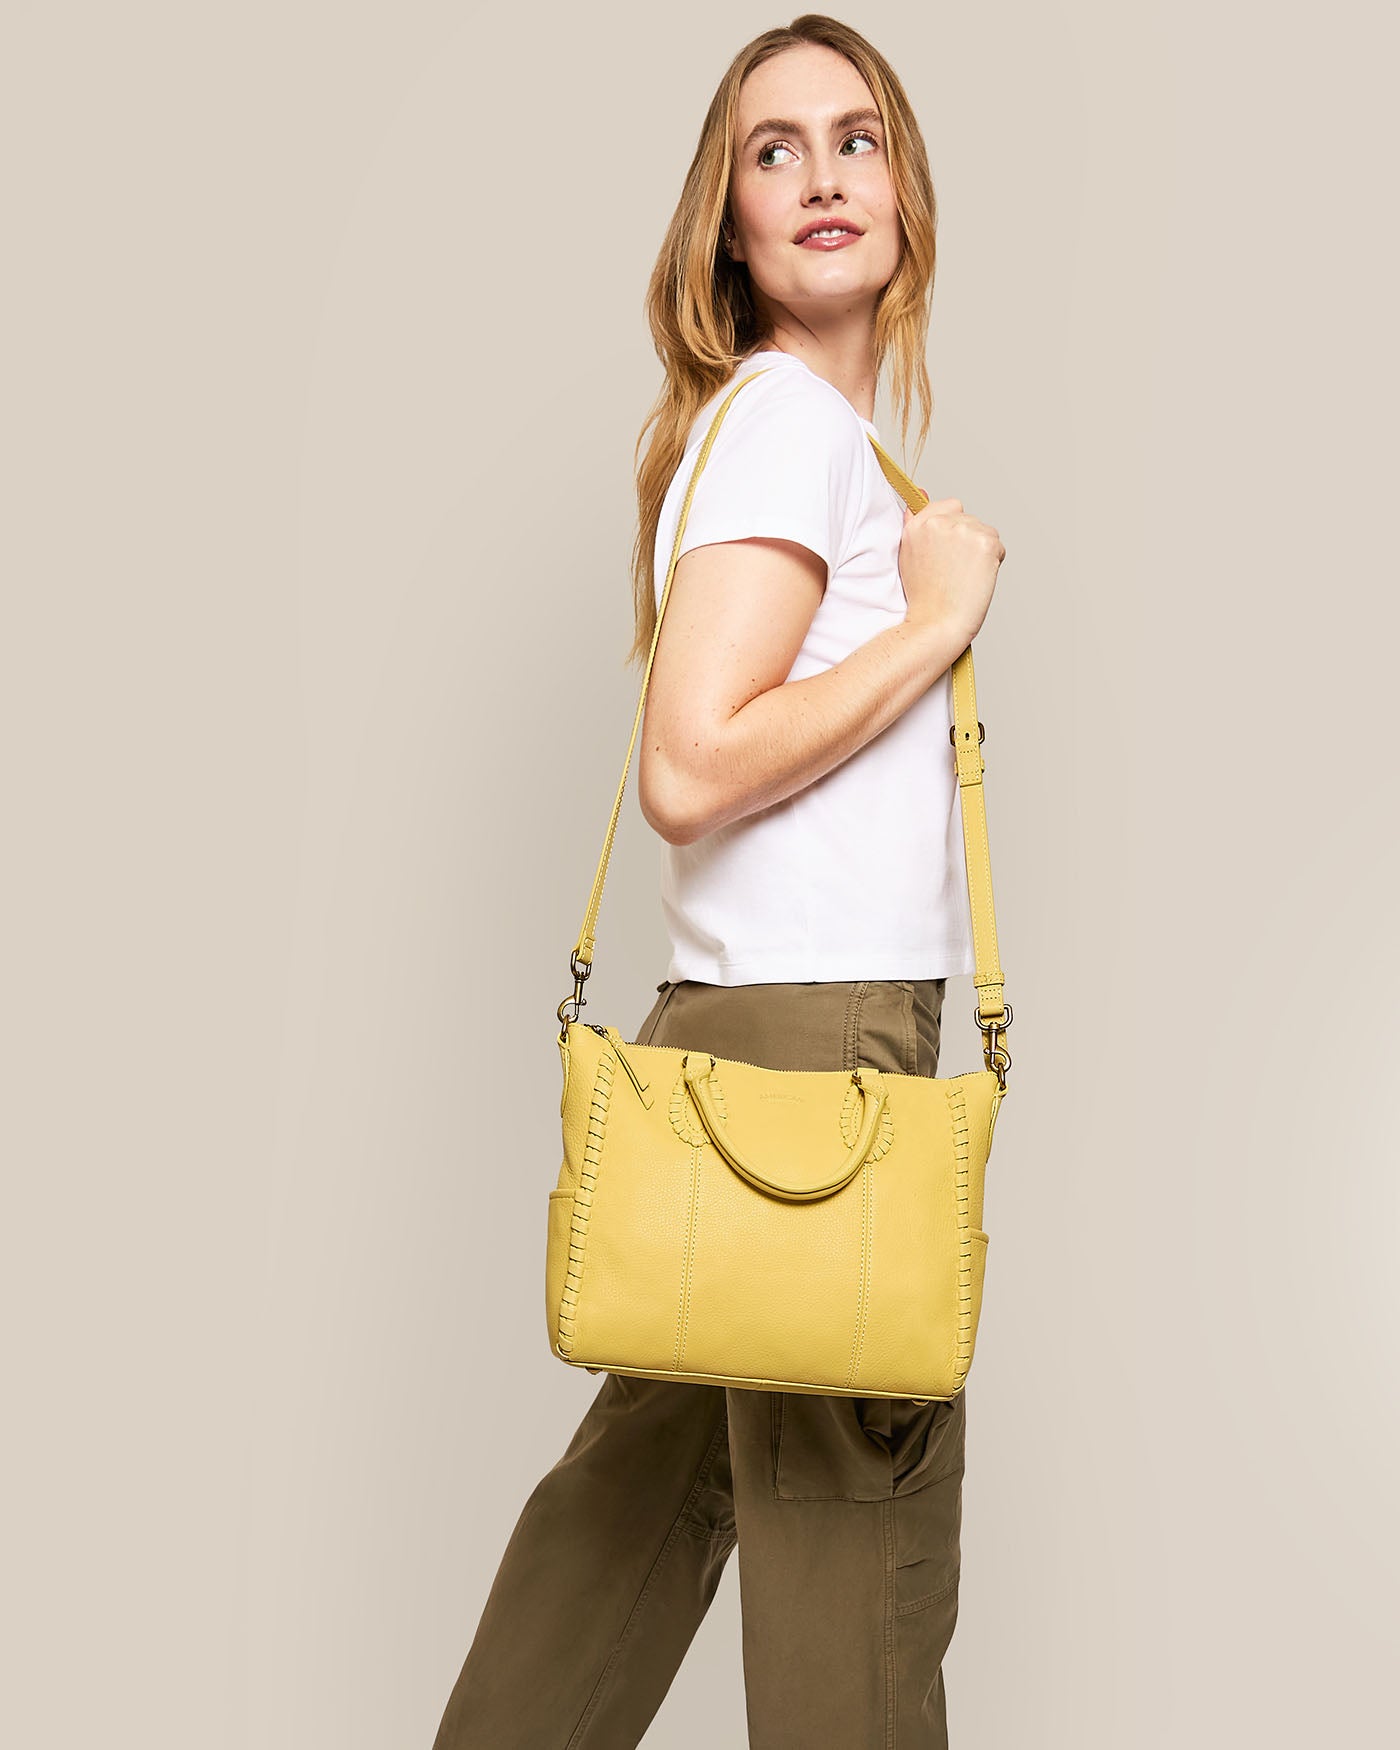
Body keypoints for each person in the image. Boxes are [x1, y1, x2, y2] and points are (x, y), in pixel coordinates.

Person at [431, 14, 1004, 1747]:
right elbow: (688, 767)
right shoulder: (788, 434)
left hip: (729, 1052)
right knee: (854, 1594)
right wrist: (938, 622)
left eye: (857, 139)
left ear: (905, 191)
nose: (822, 175)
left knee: (618, 1537)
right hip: (821, 1064)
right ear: (728, 225)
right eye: (775, 150)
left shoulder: (794, 436)